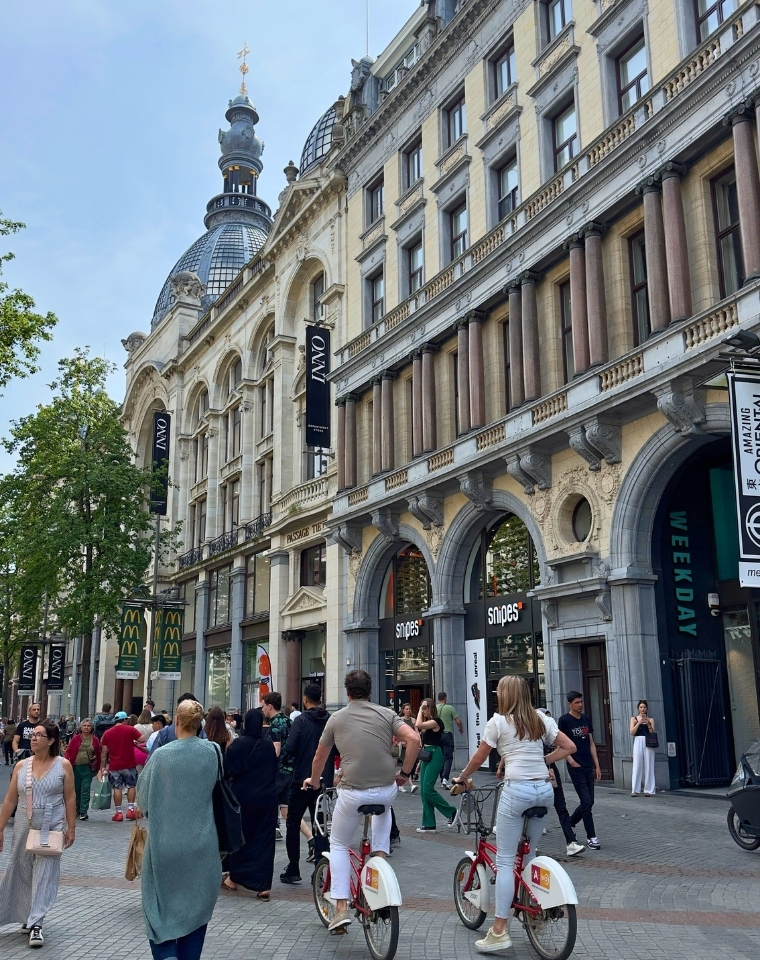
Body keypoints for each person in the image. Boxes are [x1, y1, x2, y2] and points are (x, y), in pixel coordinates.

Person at [453, 676, 577, 953]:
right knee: (529, 856)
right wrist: (542, 761)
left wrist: (462, 778)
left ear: (504, 695)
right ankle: (533, 909)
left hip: (517, 790)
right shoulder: (540, 719)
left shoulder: (497, 722)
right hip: (544, 791)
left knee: (506, 861)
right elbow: (570, 747)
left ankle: (498, 931)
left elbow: (478, 758)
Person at [304, 669, 421, 931]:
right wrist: (405, 773)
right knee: (383, 810)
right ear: (370, 691)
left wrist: (313, 781)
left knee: (339, 843)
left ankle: (342, 907)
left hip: (352, 790)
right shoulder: (387, 713)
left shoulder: (336, 718)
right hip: (386, 788)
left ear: (347, 693)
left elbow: (319, 758)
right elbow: (414, 738)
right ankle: (378, 861)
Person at [137, 699, 220, 960]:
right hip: (203, 845)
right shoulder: (213, 751)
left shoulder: (162, 755)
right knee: (196, 910)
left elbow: (143, 799)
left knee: (157, 908)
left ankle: (166, 955)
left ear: (178, 720)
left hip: (165, 844)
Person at [0, 719, 76, 949]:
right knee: (21, 869)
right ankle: (25, 915)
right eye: (32, 734)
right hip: (24, 823)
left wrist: (71, 827)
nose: (33, 738)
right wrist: (1, 828)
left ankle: (37, 925)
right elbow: (11, 798)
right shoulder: (22, 766)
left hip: (51, 825)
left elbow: (70, 797)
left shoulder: (63, 765)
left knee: (44, 873)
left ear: (51, 740)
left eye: (39, 735)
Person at [279, 684, 334, 885]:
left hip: (302, 780)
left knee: (293, 823)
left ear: (305, 699)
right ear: (321, 698)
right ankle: (320, 869)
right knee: (321, 826)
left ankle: (293, 867)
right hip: (324, 781)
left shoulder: (301, 721)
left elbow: (290, 747)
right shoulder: (330, 721)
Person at [222, 709, 278, 897]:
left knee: (241, 838)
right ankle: (263, 886)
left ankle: (234, 878)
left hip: (243, 798)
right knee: (264, 841)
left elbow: (228, 771)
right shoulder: (268, 745)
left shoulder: (237, 745)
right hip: (267, 799)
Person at [537, 708, 585, 857]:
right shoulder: (529, 735)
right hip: (534, 771)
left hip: (550, 769)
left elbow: (566, 746)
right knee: (533, 806)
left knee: (561, 805)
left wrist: (547, 760)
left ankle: (571, 842)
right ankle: (529, 842)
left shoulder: (551, 733)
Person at [558, 691, 602, 850]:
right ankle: (592, 837)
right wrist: (570, 760)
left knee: (589, 801)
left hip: (588, 765)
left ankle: (570, 823)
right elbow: (561, 744)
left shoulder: (586, 719)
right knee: (586, 801)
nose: (580, 705)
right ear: (570, 704)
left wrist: (597, 765)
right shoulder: (564, 720)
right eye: (577, 702)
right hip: (575, 767)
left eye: (581, 702)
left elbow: (591, 743)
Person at [415, 698, 458, 832]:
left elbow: (418, 724)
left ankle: (451, 812)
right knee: (423, 791)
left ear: (431, 708)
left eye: (425, 707)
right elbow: (421, 732)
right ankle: (429, 824)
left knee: (428, 789)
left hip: (435, 755)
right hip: (426, 754)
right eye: (423, 707)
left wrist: (419, 711)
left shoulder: (436, 722)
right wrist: (419, 763)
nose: (423, 710)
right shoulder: (428, 723)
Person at [100, 711, 143, 822]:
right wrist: (133, 742)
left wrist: (103, 766)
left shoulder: (107, 733)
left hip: (115, 765)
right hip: (129, 763)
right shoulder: (130, 729)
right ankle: (130, 810)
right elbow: (142, 739)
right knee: (131, 786)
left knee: (117, 788)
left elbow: (104, 752)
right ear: (124, 720)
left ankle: (118, 813)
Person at [260, 692, 293, 842]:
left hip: (278, 771)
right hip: (290, 769)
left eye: (263, 706)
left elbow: (276, 749)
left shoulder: (274, 726)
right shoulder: (288, 721)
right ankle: (310, 838)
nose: (262, 710)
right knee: (285, 809)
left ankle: (269, 831)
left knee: (267, 801)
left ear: (270, 706)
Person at [64, 718, 100, 821]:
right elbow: (69, 751)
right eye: (84, 726)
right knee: (76, 790)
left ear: (91, 728)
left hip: (87, 768)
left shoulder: (95, 740)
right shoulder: (76, 738)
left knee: (85, 789)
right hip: (75, 767)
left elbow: (98, 753)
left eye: (88, 726)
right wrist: (66, 763)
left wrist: (97, 767)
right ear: (81, 727)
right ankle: (76, 810)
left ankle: (84, 811)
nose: (86, 728)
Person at [437, 691, 463, 788]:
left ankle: (441, 777)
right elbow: (458, 721)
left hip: (437, 736)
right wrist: (461, 728)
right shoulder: (450, 708)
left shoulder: (435, 708)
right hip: (447, 735)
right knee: (448, 757)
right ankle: (445, 778)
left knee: (440, 757)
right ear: (445, 698)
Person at [630, 699, 656, 797]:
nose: (643, 709)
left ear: (647, 708)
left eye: (644, 707)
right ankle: (635, 789)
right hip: (638, 740)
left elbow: (653, 733)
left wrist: (648, 724)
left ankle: (648, 789)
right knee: (637, 764)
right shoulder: (634, 719)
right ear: (638, 708)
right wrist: (639, 723)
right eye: (641, 707)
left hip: (648, 740)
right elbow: (632, 732)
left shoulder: (651, 720)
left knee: (649, 764)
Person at [396, 703, 418, 794]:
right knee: (406, 765)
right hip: (404, 746)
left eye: (409, 709)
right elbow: (397, 733)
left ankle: (399, 783)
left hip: (411, 745)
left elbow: (416, 732)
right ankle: (411, 785)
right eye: (407, 709)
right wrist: (401, 742)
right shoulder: (400, 720)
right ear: (403, 710)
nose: (408, 710)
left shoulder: (413, 720)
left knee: (409, 766)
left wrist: (418, 742)